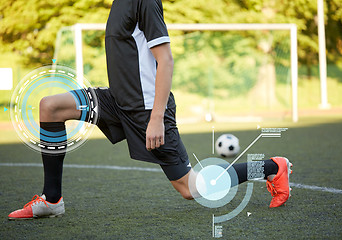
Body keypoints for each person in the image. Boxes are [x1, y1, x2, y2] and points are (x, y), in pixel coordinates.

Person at [8, 0, 292, 220]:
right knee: (51, 106)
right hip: (116, 102)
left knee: (192, 189)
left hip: (147, 110)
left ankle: (271, 167)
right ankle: (52, 200)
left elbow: (165, 60)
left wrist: (156, 119)